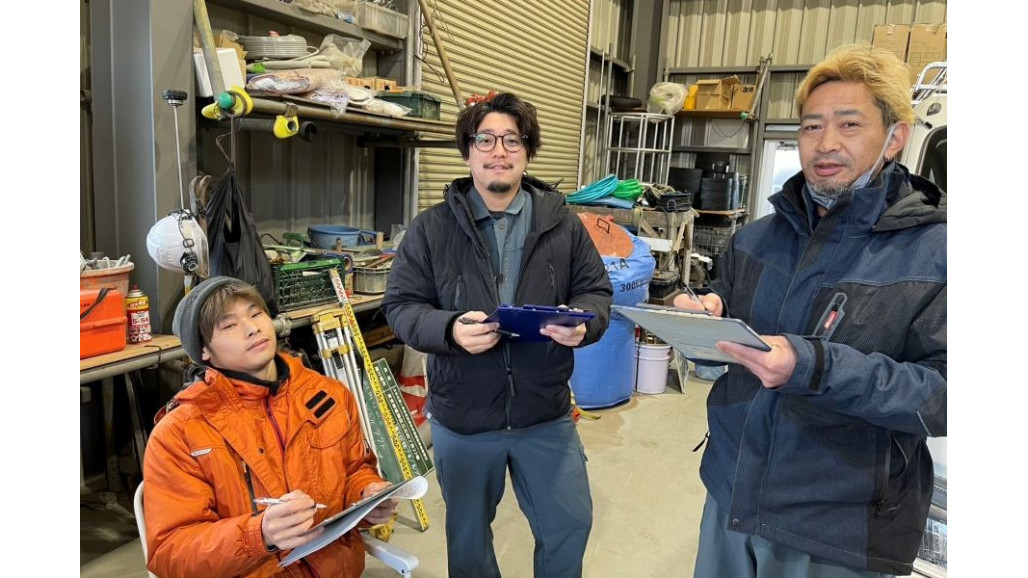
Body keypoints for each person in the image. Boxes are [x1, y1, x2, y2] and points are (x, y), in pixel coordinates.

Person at [673, 43, 946, 577]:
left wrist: (815, 367)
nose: (825, 143)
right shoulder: (756, 239)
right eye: (811, 126)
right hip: (730, 493)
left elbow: (944, 398)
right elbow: (725, 338)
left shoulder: (936, 254)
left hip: (836, 528)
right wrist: (702, 321)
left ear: (895, 138)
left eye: (849, 125)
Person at [380, 91, 613, 578]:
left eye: (512, 139)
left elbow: (595, 293)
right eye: (485, 139)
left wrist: (584, 324)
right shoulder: (431, 228)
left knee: (569, 524)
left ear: (527, 151)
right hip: (464, 417)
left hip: (544, 412)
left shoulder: (564, 227)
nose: (498, 151)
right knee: (468, 543)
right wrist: (449, 329)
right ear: (468, 152)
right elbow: (401, 307)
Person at [142, 276, 398, 578]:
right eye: (229, 325)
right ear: (204, 351)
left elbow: (355, 470)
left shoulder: (328, 394)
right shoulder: (181, 432)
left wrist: (367, 495)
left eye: (256, 314)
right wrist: (259, 534)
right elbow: (170, 552)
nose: (252, 328)